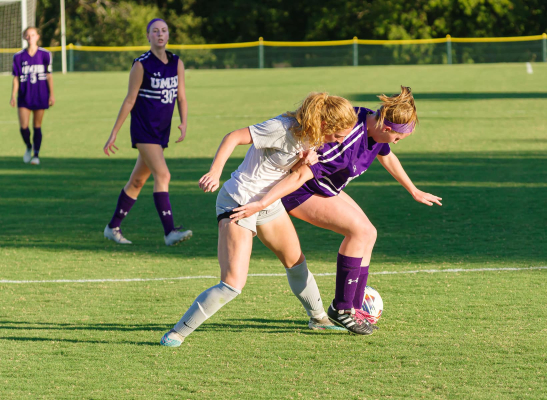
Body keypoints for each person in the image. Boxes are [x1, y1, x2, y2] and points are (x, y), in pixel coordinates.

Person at [229, 87, 441, 335]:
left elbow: (387, 155)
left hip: (326, 188)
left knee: (369, 233)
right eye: (397, 138)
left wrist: (413, 190)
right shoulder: (344, 141)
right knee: (359, 233)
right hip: (301, 191)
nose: (396, 143)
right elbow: (298, 175)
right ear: (386, 128)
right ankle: (341, 309)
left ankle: (354, 306)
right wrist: (263, 203)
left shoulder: (370, 121)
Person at [160, 92, 358, 347]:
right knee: (232, 284)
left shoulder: (316, 137)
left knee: (296, 262)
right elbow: (233, 137)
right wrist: (215, 171)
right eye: (338, 135)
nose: (340, 141)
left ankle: (318, 319)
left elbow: (293, 171)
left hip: (267, 205)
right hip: (239, 202)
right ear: (323, 124)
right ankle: (177, 333)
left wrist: (306, 160)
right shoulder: (281, 128)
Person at [102, 18, 192, 246]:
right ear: (148, 36)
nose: (160, 34)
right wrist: (114, 132)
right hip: (143, 130)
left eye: (164, 30)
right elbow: (129, 100)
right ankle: (170, 232)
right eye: (155, 31)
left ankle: (112, 227)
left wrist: (183, 122)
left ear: (168, 35)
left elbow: (181, 97)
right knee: (163, 175)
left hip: (161, 131)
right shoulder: (141, 65)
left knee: (137, 181)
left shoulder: (176, 63)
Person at [10, 27, 54, 165]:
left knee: (37, 126)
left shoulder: (45, 55)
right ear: (24, 37)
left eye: (33, 35)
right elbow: (16, 78)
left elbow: (49, 76)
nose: (30, 38)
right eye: (27, 35)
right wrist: (13, 95)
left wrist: (52, 94)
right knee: (24, 127)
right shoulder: (18, 57)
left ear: (38, 37)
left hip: (40, 94)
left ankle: (36, 155)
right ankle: (29, 146)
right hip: (24, 95)